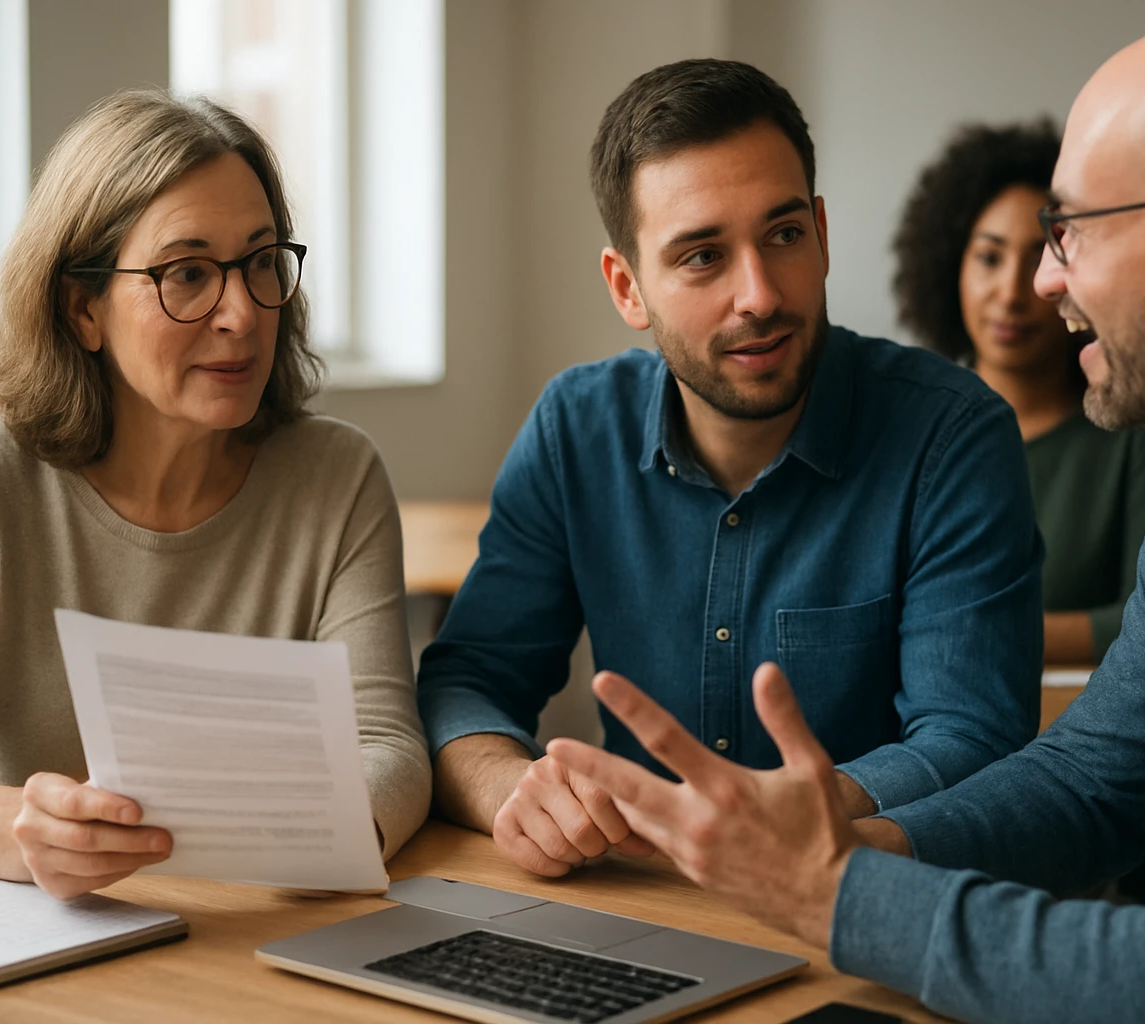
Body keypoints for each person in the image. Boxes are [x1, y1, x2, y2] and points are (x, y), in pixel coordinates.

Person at [547, 9, 1145, 1021]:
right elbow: (1089, 782)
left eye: (1075, 229)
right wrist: (834, 846)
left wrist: (835, 893)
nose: (1044, 277)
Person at [419, 59, 1043, 878]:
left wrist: (811, 805)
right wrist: (511, 789)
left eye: (784, 235)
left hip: (858, 901)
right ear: (628, 287)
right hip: (635, 900)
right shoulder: (577, 427)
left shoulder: (951, 436)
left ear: (821, 234)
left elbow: (975, 737)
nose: (758, 294)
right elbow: (468, 679)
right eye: (702, 256)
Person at [0, 91, 432, 899]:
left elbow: (388, 748)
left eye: (262, 262)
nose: (241, 313)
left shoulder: (338, 476)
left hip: (264, 933)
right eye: (187, 274)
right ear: (82, 308)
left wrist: (322, 838)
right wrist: (19, 831)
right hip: (48, 945)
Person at [893, 121, 1145, 666]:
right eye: (988, 257)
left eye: (1039, 255)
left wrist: (963, 628)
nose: (1011, 292)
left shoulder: (1140, 428)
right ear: (946, 267)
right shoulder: (901, 426)